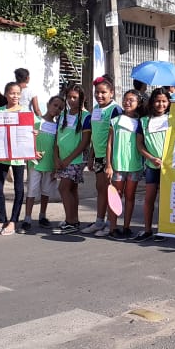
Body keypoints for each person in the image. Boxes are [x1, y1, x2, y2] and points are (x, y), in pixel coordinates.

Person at [81, 76, 122, 236]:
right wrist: (91, 156)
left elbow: (115, 137)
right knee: (100, 189)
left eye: (103, 92)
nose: (99, 95)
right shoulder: (96, 109)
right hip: (98, 156)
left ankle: (111, 225)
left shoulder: (115, 110)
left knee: (110, 191)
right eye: (97, 92)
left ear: (111, 93)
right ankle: (99, 221)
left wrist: (109, 163)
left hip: (109, 158)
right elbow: (94, 135)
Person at [0, 82, 27, 236]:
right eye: (12, 93)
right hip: (2, 154)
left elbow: (33, 128)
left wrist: (34, 134)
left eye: (18, 93)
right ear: (6, 94)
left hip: (19, 155)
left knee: (18, 187)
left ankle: (13, 221)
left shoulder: (25, 111)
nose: (15, 96)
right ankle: (1, 219)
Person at [21, 95, 64, 231]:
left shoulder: (58, 127)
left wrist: (57, 164)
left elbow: (58, 145)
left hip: (50, 163)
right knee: (32, 190)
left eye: (60, 108)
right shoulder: (36, 121)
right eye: (55, 105)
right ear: (48, 104)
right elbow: (27, 139)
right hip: (35, 162)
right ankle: (27, 218)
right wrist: (32, 152)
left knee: (46, 191)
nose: (56, 109)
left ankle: (42, 216)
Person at [105, 89, 144, 239]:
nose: (127, 102)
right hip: (118, 165)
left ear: (138, 103)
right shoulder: (115, 121)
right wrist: (108, 164)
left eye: (131, 100)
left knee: (130, 196)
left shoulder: (141, 122)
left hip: (134, 165)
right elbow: (109, 144)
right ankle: (113, 227)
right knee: (115, 196)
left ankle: (126, 226)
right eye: (125, 99)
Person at [134, 87, 171, 241]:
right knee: (149, 198)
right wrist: (151, 158)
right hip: (151, 166)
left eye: (164, 101)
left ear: (169, 103)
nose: (160, 104)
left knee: (166, 200)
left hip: (168, 167)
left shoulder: (173, 118)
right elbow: (139, 145)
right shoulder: (143, 121)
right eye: (157, 101)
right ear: (152, 102)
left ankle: (162, 230)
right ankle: (147, 229)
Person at [53, 85, 90, 234]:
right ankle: (73, 220)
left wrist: (68, 159)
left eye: (75, 97)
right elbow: (57, 138)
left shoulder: (86, 116)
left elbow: (84, 142)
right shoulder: (63, 115)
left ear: (82, 98)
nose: (71, 100)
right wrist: (56, 157)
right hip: (62, 158)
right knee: (71, 189)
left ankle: (70, 222)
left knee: (63, 188)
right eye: (69, 97)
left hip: (76, 159)